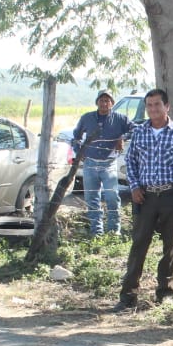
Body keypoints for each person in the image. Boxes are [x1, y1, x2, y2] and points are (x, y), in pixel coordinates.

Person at [116, 88, 173, 310]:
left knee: (170, 246)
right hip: (145, 196)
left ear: (167, 106)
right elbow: (130, 161)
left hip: (172, 195)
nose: (153, 109)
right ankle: (128, 295)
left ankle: (165, 292)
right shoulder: (140, 132)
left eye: (157, 105)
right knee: (139, 244)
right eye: (149, 105)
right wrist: (134, 186)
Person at [72, 91, 132, 237]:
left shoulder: (120, 119)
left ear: (112, 102)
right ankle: (96, 232)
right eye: (101, 100)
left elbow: (134, 129)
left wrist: (122, 137)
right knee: (92, 198)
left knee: (112, 197)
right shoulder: (87, 118)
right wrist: (80, 153)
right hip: (90, 164)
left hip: (109, 164)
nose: (104, 103)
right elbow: (76, 137)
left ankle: (113, 231)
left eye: (107, 100)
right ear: (97, 102)